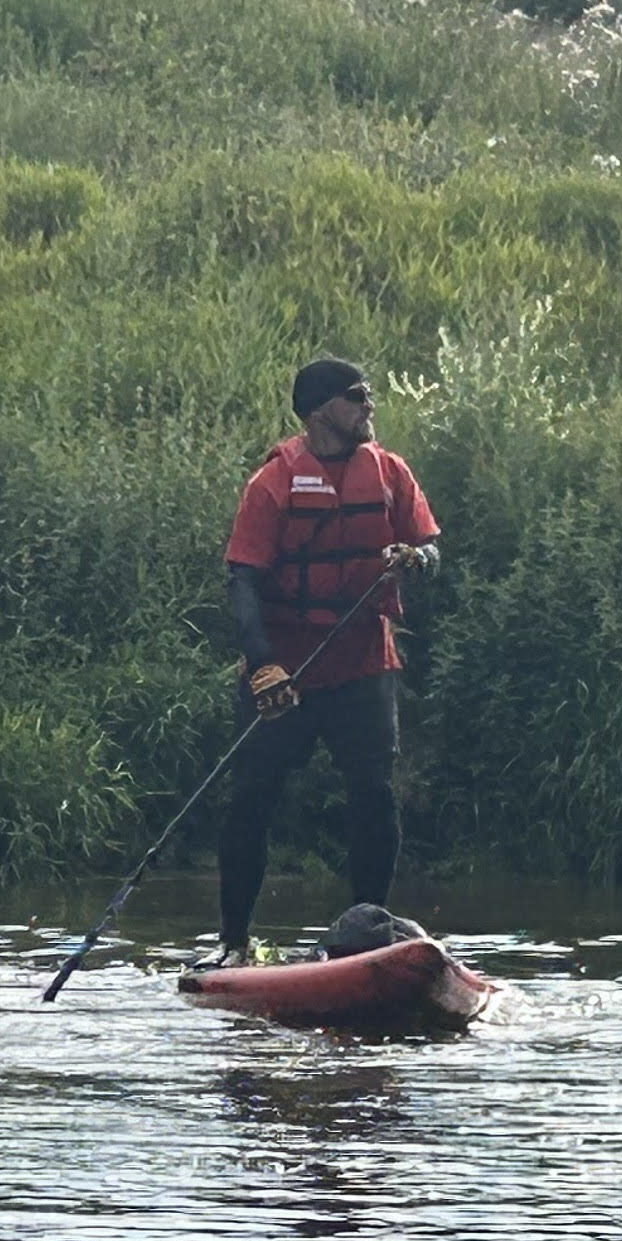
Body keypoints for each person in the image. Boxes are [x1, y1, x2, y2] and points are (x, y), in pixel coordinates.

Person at [216, 355, 440, 961]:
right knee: (251, 799)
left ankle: (371, 938)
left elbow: (430, 549)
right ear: (320, 412)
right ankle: (233, 943)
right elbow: (242, 580)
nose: (370, 405)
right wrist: (262, 665)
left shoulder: (390, 472)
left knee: (373, 794)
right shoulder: (273, 484)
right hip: (284, 673)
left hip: (365, 667)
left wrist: (416, 560)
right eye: (357, 396)